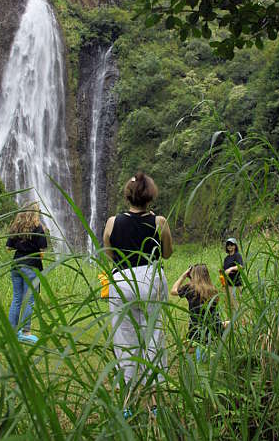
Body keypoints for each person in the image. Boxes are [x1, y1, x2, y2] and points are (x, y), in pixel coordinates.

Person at [103, 172, 173, 410]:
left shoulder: (113, 222)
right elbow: (167, 253)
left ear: (128, 196)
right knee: (153, 335)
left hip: (121, 280)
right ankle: (154, 404)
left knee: (124, 340)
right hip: (150, 278)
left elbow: (109, 253)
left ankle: (127, 404)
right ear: (150, 196)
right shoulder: (159, 222)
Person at [6, 202, 47, 343]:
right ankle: (26, 332)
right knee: (29, 300)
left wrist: (21, 245)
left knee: (17, 299)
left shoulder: (16, 226)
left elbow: (8, 248)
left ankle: (11, 331)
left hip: (16, 265)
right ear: (36, 213)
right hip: (31, 266)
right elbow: (42, 252)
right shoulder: (38, 228)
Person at [171, 264, 224, 359]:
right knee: (225, 324)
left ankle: (204, 353)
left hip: (196, 330)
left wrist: (183, 276)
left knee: (184, 347)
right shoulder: (213, 289)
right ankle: (210, 349)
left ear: (192, 275)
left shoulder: (190, 289)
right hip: (215, 327)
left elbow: (173, 291)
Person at [223, 237, 244, 312]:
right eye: (228, 244)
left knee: (237, 305)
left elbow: (241, 266)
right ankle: (231, 321)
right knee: (229, 305)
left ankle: (240, 322)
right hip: (227, 284)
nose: (229, 246)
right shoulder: (226, 258)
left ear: (235, 246)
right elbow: (224, 270)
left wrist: (231, 269)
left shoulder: (237, 255)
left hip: (236, 284)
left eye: (231, 244)